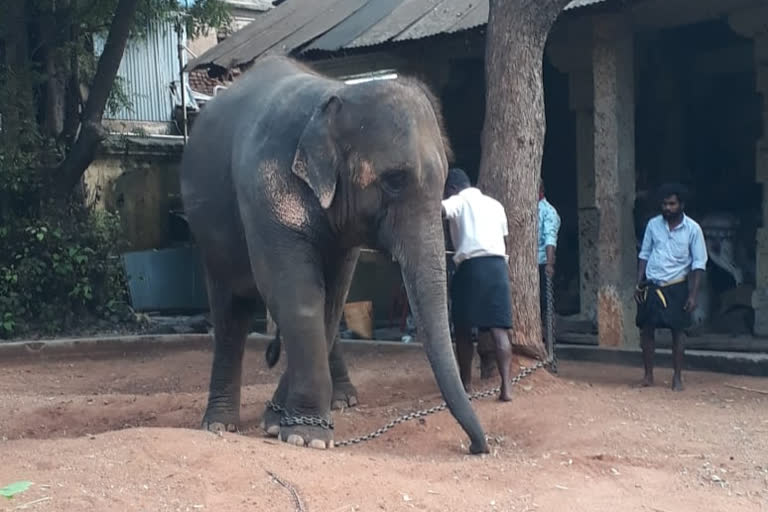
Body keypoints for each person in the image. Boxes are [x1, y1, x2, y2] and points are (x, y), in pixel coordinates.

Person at [442, 168, 514, 401]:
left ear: (452, 188)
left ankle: (466, 385)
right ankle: (507, 388)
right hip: (497, 267)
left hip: (470, 267)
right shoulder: (496, 205)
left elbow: (440, 210)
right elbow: (504, 239)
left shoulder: (457, 200)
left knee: (463, 330)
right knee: (499, 330)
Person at [635, 183, 707, 391]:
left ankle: (677, 377)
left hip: (677, 286)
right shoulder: (653, 225)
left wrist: (693, 295)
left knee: (678, 332)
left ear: (681, 205)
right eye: (664, 204)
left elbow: (698, 264)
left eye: (672, 204)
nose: (667, 208)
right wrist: (639, 282)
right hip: (652, 285)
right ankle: (648, 375)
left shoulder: (693, 229)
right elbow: (644, 255)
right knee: (646, 330)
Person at [538, 178, 561, 330]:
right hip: (530, 264)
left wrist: (549, 264)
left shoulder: (548, 211)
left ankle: (549, 344)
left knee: (547, 306)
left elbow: (550, 238)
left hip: (542, 263)